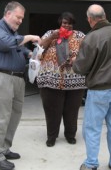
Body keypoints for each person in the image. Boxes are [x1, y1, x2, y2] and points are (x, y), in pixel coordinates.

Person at [0, 1, 41, 170]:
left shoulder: (13, 34)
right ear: (8, 14)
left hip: (16, 79)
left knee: (13, 117)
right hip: (0, 77)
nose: (20, 21)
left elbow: (20, 50)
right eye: (18, 17)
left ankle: (4, 148)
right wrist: (30, 37)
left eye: (22, 18)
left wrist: (32, 53)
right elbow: (7, 44)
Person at [72, 4, 111, 170]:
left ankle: (91, 163)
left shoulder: (91, 37)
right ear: (104, 15)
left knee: (92, 128)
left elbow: (81, 68)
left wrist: (75, 62)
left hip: (99, 89)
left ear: (90, 19)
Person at [36, 12, 86, 147]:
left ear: (73, 24)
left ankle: (70, 135)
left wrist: (76, 59)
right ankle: (51, 137)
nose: (67, 25)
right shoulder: (50, 33)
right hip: (50, 80)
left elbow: (87, 53)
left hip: (75, 81)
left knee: (72, 110)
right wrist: (53, 36)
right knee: (52, 110)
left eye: (69, 23)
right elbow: (39, 48)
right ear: (60, 23)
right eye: (64, 23)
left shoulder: (80, 36)